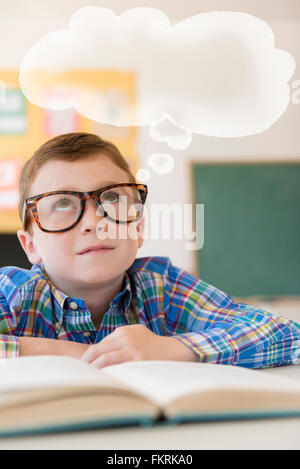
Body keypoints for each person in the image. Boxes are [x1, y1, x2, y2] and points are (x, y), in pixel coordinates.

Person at [0, 132, 299, 369]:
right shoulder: (14, 292)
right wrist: (72, 354)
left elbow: (286, 334)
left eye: (112, 197)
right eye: (62, 203)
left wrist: (173, 348)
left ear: (138, 229)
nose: (95, 221)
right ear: (31, 246)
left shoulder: (161, 288)